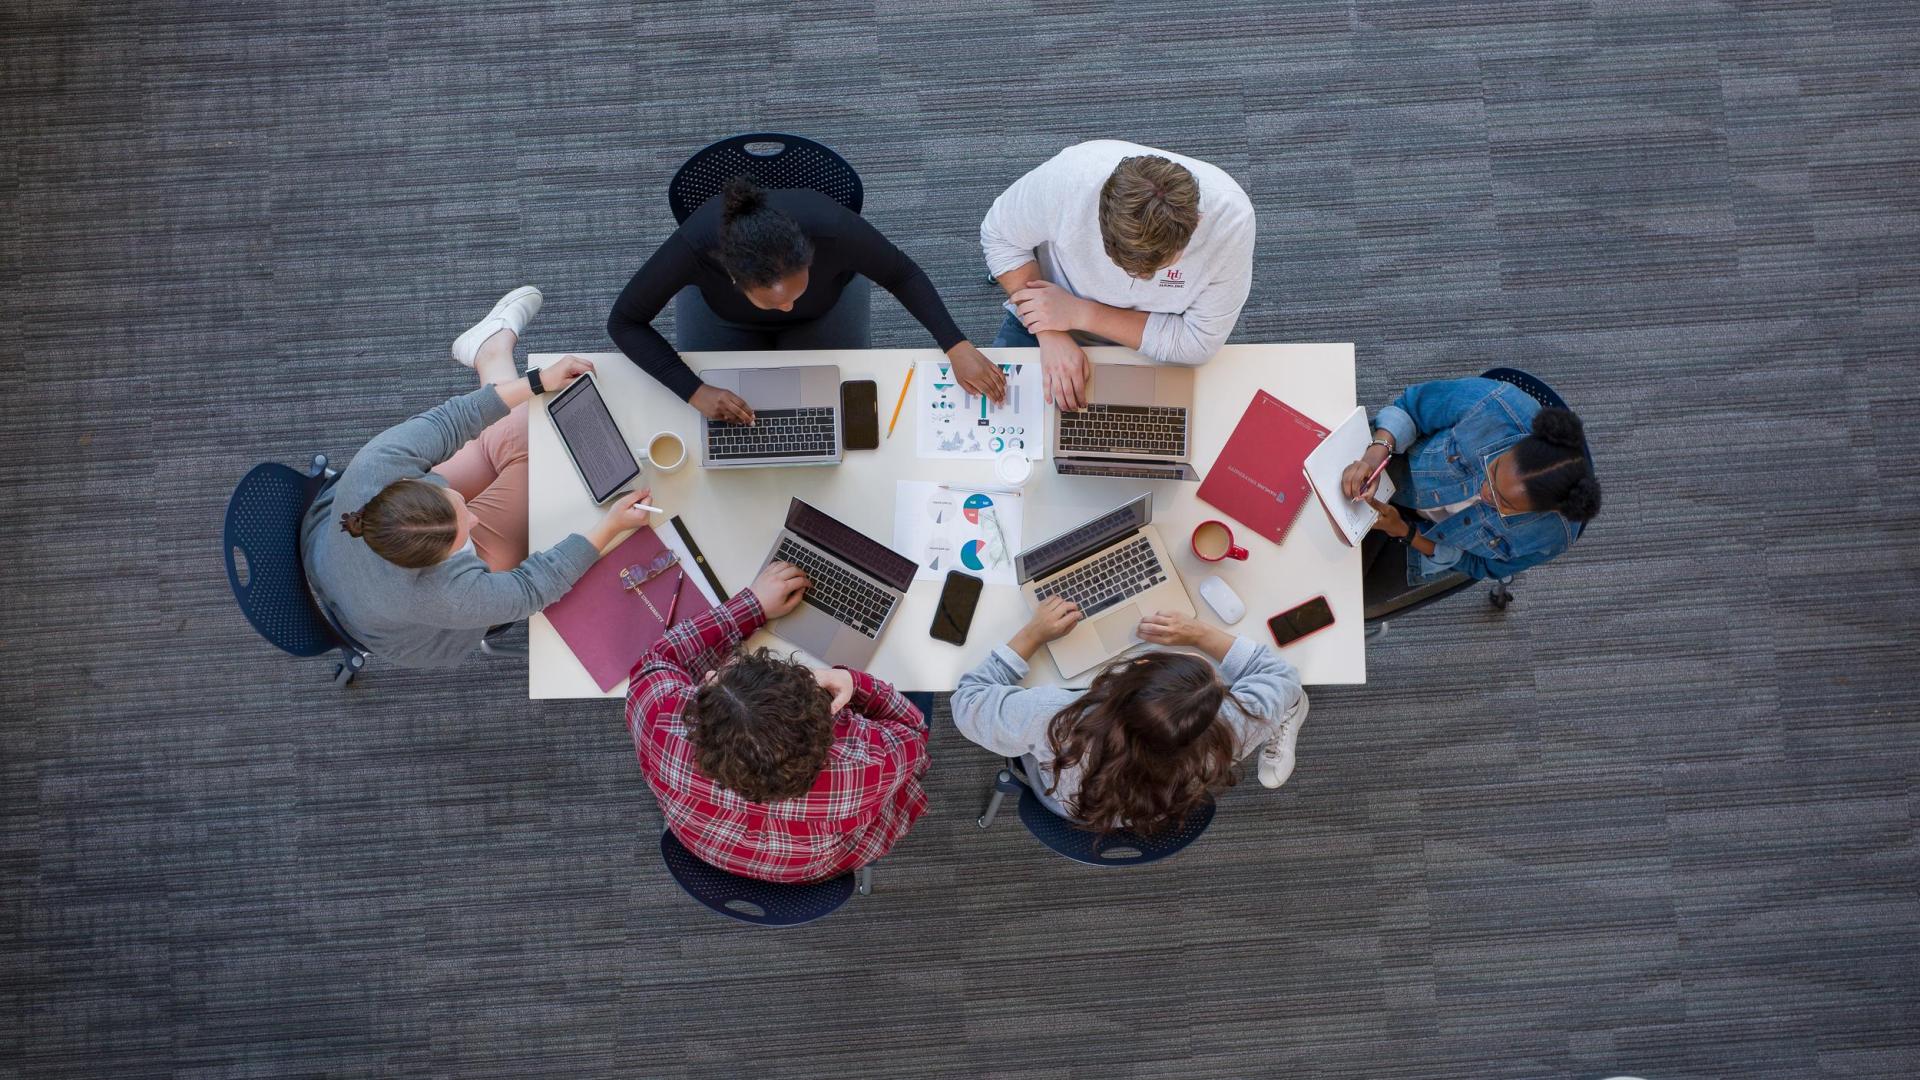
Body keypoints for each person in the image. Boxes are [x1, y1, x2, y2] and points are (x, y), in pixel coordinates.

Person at [303, 288, 654, 668]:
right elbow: (533, 586)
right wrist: (610, 527)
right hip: (402, 627)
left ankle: (490, 352)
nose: (473, 515)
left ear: (410, 485)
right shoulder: (445, 594)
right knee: (530, 456)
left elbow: (454, 419)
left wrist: (538, 381)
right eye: (463, 537)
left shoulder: (376, 466)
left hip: (331, 548)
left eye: (457, 505)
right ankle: (491, 352)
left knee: (520, 443)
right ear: (443, 565)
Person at [608, 175, 1006, 424]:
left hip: (825, 310)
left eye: (795, 292)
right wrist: (692, 390)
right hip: (725, 318)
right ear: (734, 276)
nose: (789, 308)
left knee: (835, 412)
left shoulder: (832, 227)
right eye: (775, 302)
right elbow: (624, 322)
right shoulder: (696, 246)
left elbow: (903, 273)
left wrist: (955, 344)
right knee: (718, 423)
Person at [626, 561, 930, 882]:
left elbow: (656, 660)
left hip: (703, 847)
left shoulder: (659, 721)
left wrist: (752, 605)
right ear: (824, 719)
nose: (711, 673)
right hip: (808, 869)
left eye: (712, 682)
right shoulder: (860, 770)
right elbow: (914, 733)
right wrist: (853, 681)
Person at [950, 599, 1308, 834]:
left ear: (1134, 668)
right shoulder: (1227, 731)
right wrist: (1199, 634)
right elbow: (1284, 679)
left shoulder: (1054, 722)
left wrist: (1033, 634)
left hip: (1074, 804)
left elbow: (967, 702)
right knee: (1286, 701)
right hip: (1152, 812)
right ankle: (1289, 716)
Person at [979, 139, 1256, 408]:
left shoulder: (1231, 223)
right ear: (1099, 214)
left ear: (1198, 222)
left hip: (1150, 340)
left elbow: (1197, 343)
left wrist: (1080, 314)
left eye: (1158, 268)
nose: (1141, 280)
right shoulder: (1070, 178)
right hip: (1045, 315)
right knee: (1001, 416)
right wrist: (1050, 332)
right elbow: (1000, 236)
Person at [1339, 376, 1602, 617]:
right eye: (1493, 469)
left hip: (1421, 541)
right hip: (1394, 467)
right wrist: (1375, 457)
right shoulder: (1495, 404)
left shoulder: (1552, 536)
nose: (1483, 491)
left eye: (1502, 502)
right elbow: (1411, 407)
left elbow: (1479, 566)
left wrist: (1404, 531)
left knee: (1343, 600)